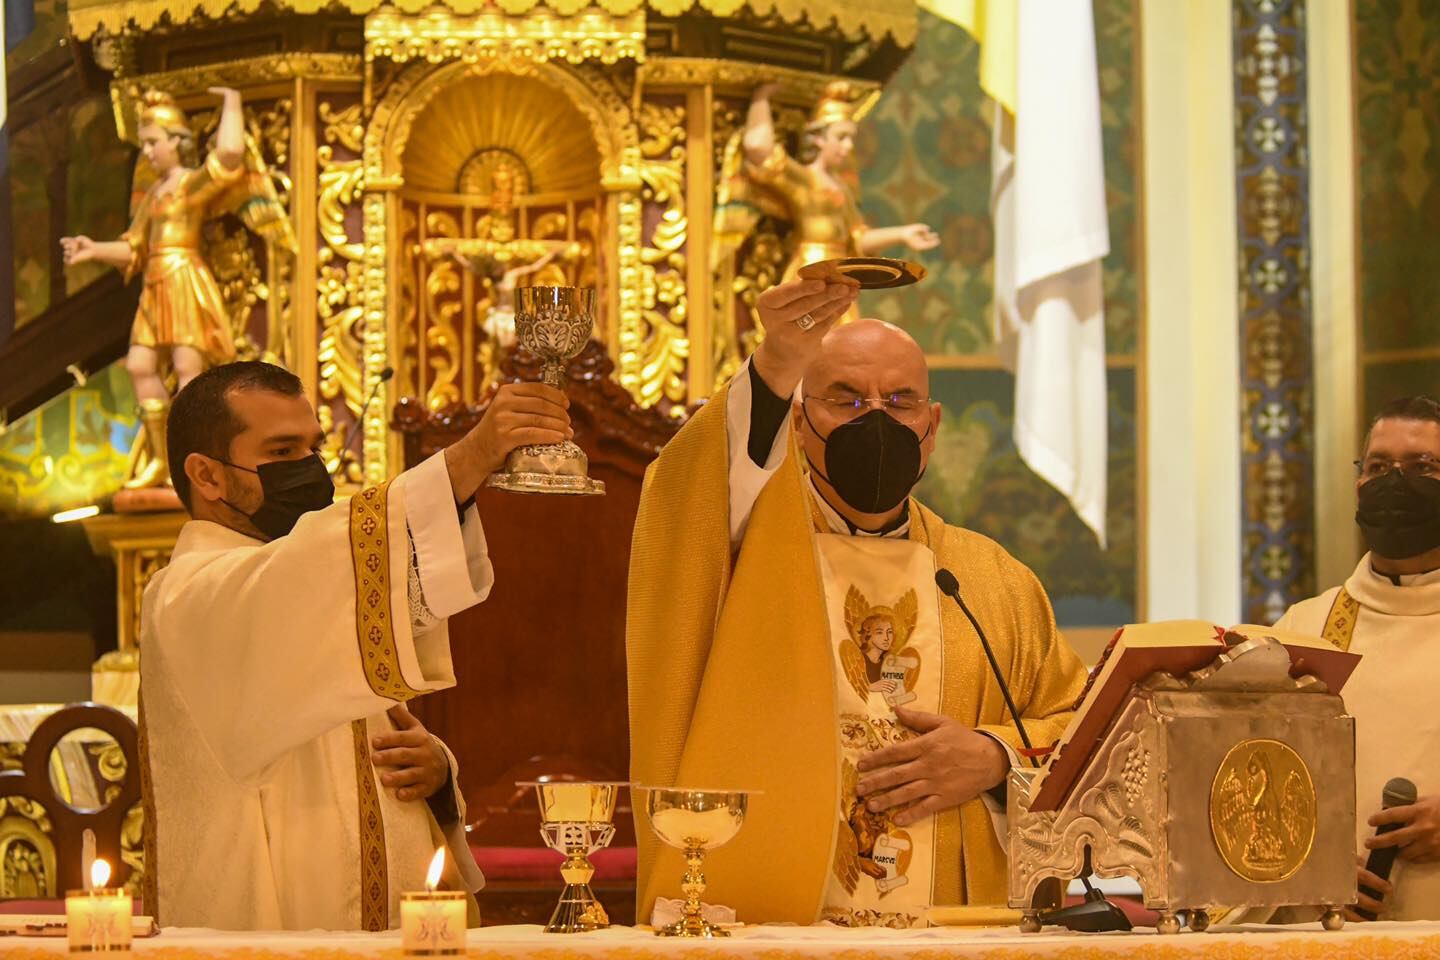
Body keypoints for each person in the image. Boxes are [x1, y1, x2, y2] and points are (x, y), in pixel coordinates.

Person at [627, 278, 1087, 928]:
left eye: (900, 401)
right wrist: (777, 362)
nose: (876, 419)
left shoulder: (993, 580)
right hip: (776, 927)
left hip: (953, 932)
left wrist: (995, 757)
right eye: (845, 399)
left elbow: (1084, 728)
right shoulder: (742, 553)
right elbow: (685, 492)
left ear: (932, 426)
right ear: (796, 420)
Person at [139, 360, 572, 930]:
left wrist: (436, 774)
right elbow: (292, 580)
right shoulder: (187, 595)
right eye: (283, 451)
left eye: (314, 448)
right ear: (207, 475)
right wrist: (470, 458)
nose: (310, 469)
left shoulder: (319, 585)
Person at [62, 88, 290, 488]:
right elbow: (136, 247)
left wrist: (232, 102)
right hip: (155, 282)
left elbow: (229, 157)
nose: (147, 152)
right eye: (145, 144)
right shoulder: (154, 193)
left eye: (154, 142)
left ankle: (190, 460)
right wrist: (93, 249)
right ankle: (160, 459)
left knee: (188, 371)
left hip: (183, 277)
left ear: (177, 143)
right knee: (140, 366)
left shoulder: (188, 185)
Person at [1271, 395, 1440, 921]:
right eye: (1379, 467)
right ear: (1359, 481)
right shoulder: (1303, 631)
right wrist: (1304, 866)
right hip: (1333, 931)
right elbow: (1248, 788)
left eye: (1422, 467)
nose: (1396, 482)